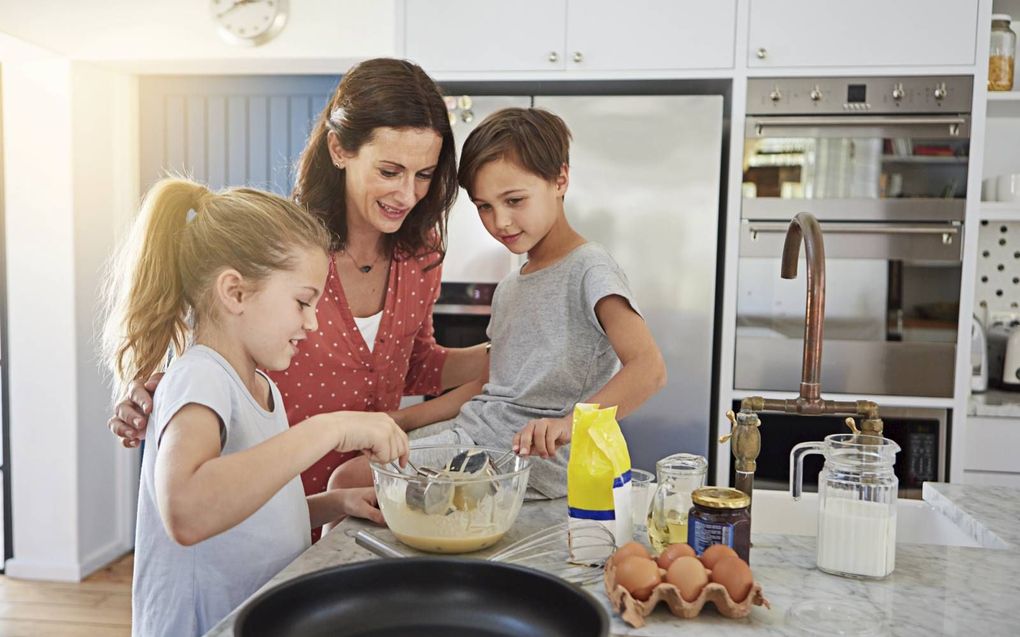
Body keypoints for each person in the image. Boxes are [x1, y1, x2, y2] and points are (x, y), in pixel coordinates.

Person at [106, 58, 487, 538]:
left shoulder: (421, 251)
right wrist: (152, 393)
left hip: (354, 504)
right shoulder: (286, 249)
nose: (407, 194)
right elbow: (213, 356)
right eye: (390, 171)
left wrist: (513, 357)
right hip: (260, 504)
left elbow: (413, 363)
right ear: (339, 149)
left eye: (425, 175)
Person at [101, 178, 409, 636]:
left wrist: (332, 503)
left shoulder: (262, 388)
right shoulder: (200, 375)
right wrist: (330, 429)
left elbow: (251, 516)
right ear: (236, 292)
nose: (311, 322)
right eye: (303, 302)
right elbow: (187, 511)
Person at [330, 107, 667, 499]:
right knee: (366, 461)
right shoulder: (511, 286)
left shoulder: (589, 268)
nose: (500, 222)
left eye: (514, 200)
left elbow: (649, 369)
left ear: (560, 180)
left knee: (352, 478)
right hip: (480, 432)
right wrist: (401, 419)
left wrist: (567, 424)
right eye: (485, 207)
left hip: (531, 457)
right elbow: (490, 387)